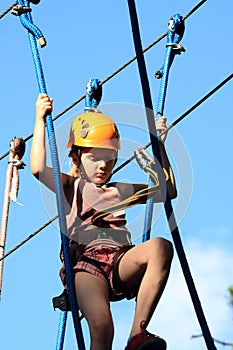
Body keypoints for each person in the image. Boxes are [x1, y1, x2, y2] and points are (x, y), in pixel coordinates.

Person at [31, 93, 177, 350]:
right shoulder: (69, 186)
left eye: (108, 158)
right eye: (94, 158)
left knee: (161, 247)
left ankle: (137, 335)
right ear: (76, 158)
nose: (103, 165)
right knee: (102, 326)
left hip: (120, 260)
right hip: (87, 266)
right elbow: (38, 169)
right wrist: (40, 119)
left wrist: (159, 147)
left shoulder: (120, 190)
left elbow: (169, 191)